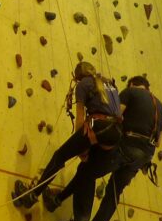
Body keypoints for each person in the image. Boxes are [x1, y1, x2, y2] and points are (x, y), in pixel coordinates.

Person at [46, 76, 162, 221]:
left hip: (126, 144)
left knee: (87, 170)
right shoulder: (160, 107)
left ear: (133, 85)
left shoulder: (130, 92)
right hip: (144, 155)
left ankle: (64, 206)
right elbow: (159, 141)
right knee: (113, 193)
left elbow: (116, 115)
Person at [12, 62, 122, 209]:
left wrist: (80, 147)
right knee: (85, 171)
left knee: (60, 156)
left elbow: (80, 120)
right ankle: (55, 201)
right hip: (116, 133)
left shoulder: (84, 84)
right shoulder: (110, 84)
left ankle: (32, 196)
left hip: (99, 126)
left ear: (78, 76)